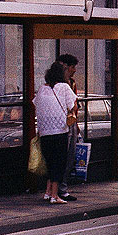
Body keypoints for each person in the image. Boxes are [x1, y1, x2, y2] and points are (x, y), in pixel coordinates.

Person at [33, 61, 76, 204]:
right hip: (59, 130)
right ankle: (55, 196)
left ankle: (47, 192)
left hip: (44, 131)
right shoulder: (64, 87)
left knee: (50, 163)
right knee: (59, 163)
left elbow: (36, 104)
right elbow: (72, 105)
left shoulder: (41, 89)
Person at [56, 54, 80, 202]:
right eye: (72, 67)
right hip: (60, 124)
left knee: (69, 156)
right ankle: (58, 190)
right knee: (61, 157)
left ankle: (61, 188)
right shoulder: (58, 85)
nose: (74, 70)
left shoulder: (71, 83)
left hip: (71, 122)